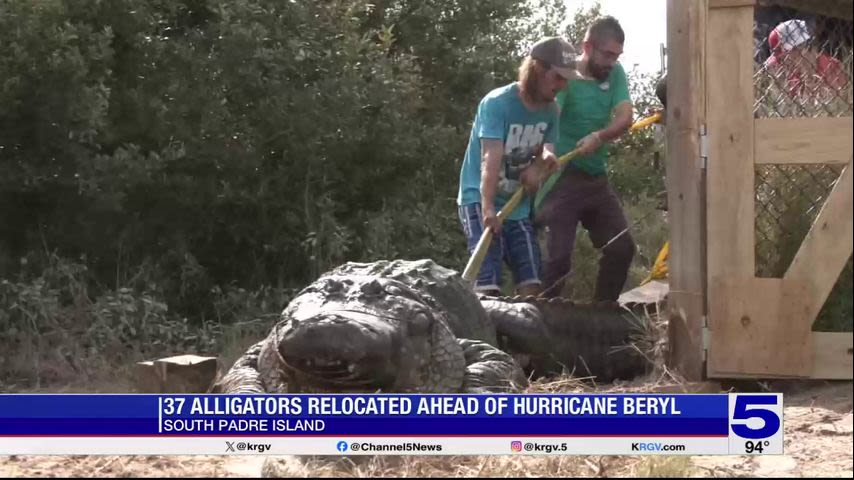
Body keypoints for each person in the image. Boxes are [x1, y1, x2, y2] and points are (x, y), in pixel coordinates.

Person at [457, 36, 579, 297]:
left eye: (566, 80)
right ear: (537, 70)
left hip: (516, 203)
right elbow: (490, 159)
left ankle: (526, 333)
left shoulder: (552, 110)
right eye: (558, 77)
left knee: (532, 281)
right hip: (479, 198)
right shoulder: (497, 103)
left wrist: (542, 164)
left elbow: (547, 148)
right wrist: (488, 208)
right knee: (486, 283)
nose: (562, 85)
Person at [533, 16, 635, 302]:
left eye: (617, 56)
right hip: (562, 176)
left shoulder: (615, 74)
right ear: (587, 47)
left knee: (621, 247)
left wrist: (599, 137)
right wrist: (547, 154)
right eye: (607, 55)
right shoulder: (566, 78)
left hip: (594, 177)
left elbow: (625, 117)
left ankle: (602, 314)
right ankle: (541, 318)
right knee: (558, 261)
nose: (612, 62)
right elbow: (548, 124)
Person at [764, 19, 847, 99]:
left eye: (783, 58)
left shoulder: (833, 67)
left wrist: (808, 79)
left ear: (802, 48)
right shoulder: (789, 77)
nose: (782, 64)